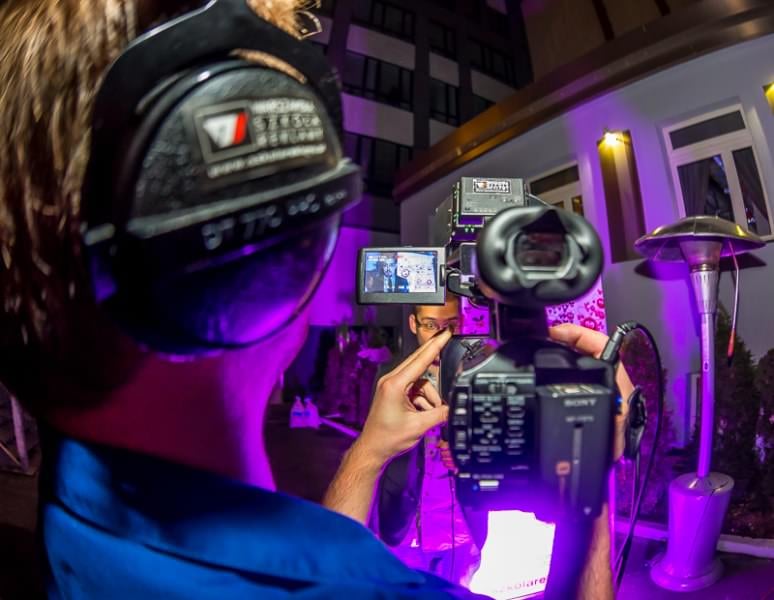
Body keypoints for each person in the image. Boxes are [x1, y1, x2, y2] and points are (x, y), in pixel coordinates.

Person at [0, 1, 631, 598]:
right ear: (261, 240)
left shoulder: (74, 490)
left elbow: (325, 558)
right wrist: (589, 486)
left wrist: (366, 454)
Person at [373, 294, 485, 586]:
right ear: (413, 324)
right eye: (430, 325)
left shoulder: (481, 379)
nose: (440, 336)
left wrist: (469, 460)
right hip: (403, 528)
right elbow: (370, 452)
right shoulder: (390, 380)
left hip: (461, 531)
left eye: (450, 325)